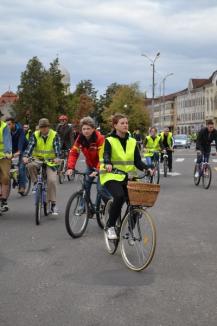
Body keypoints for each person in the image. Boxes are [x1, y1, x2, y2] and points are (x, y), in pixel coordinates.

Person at [99, 113, 153, 240]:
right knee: (119, 196)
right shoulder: (109, 140)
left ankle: (129, 230)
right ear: (115, 125)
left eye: (126, 123)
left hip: (128, 177)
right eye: (122, 123)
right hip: (111, 176)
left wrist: (147, 168)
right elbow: (106, 154)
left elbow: (137, 161)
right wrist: (107, 163)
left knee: (137, 203)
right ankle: (110, 226)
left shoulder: (132, 141)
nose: (125, 125)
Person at [67, 116, 110, 205]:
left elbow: (102, 157)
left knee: (100, 189)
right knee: (85, 186)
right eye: (84, 129)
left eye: (88, 129)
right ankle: (83, 207)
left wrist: (98, 170)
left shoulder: (100, 138)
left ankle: (110, 206)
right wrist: (70, 167)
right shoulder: (80, 138)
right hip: (90, 165)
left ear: (93, 129)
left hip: (101, 166)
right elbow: (74, 153)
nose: (86, 131)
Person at [23, 118, 61, 215]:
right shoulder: (35, 135)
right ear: (39, 128)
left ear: (48, 127)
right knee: (30, 165)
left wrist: (57, 157)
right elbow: (30, 147)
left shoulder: (54, 135)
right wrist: (26, 156)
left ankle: (53, 204)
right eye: (41, 127)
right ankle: (36, 183)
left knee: (51, 180)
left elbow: (57, 148)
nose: (43, 129)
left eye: (45, 127)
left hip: (50, 161)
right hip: (38, 159)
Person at [6, 117, 28, 195]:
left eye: (9, 124)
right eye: (6, 125)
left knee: (21, 166)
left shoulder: (20, 130)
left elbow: (21, 142)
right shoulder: (6, 131)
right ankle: (14, 179)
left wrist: (19, 151)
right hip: (13, 150)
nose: (7, 126)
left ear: (13, 124)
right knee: (7, 165)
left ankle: (22, 186)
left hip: (23, 149)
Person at [0, 111, 12, 212]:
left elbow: (7, 140)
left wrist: (8, 152)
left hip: (4, 156)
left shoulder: (4, 127)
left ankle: (3, 200)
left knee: (5, 177)